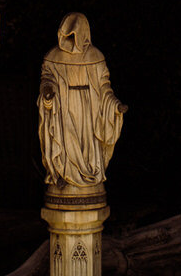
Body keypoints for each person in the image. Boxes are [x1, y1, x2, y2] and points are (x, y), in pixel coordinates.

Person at [38, 13, 126, 186]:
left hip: (89, 108)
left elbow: (104, 86)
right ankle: (64, 174)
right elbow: (47, 78)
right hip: (64, 107)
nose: (70, 40)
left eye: (74, 35)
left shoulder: (95, 56)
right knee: (65, 143)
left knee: (88, 147)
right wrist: (48, 92)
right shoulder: (54, 55)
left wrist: (114, 105)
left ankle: (88, 177)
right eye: (67, 35)